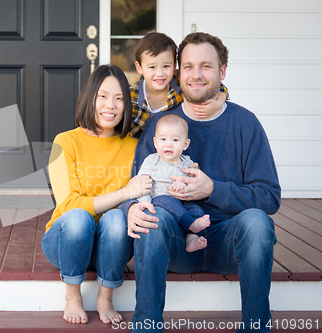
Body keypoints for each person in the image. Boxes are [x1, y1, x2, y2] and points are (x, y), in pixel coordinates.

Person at [119, 32, 281, 332]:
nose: (196, 75)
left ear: (221, 72)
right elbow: (138, 182)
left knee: (258, 223)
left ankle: (256, 327)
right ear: (179, 73)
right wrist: (131, 207)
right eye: (189, 66)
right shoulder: (160, 125)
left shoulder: (244, 123)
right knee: (150, 216)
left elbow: (269, 197)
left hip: (228, 243)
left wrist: (214, 190)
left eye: (206, 66)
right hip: (176, 244)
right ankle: (146, 326)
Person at [42, 65, 152, 325]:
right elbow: (68, 204)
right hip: (66, 241)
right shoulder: (66, 141)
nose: (110, 105)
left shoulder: (135, 147)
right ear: (89, 98)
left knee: (116, 219)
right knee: (79, 217)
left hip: (110, 245)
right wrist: (125, 192)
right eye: (102, 96)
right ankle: (72, 297)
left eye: (119, 98)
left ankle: (105, 297)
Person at [129, 32, 228, 139]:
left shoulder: (179, 81)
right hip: (140, 145)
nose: (160, 74)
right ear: (139, 67)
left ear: (175, 65)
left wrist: (219, 102)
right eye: (152, 67)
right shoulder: (131, 94)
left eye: (166, 66)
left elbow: (217, 86)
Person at [136, 114, 210, 253]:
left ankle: (192, 239)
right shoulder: (151, 161)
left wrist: (185, 186)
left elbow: (195, 184)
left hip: (183, 202)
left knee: (197, 210)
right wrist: (144, 202)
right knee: (167, 200)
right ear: (155, 142)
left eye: (175, 140)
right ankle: (192, 225)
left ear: (185, 144)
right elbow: (141, 184)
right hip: (160, 202)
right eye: (163, 139)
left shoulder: (187, 162)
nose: (168, 144)